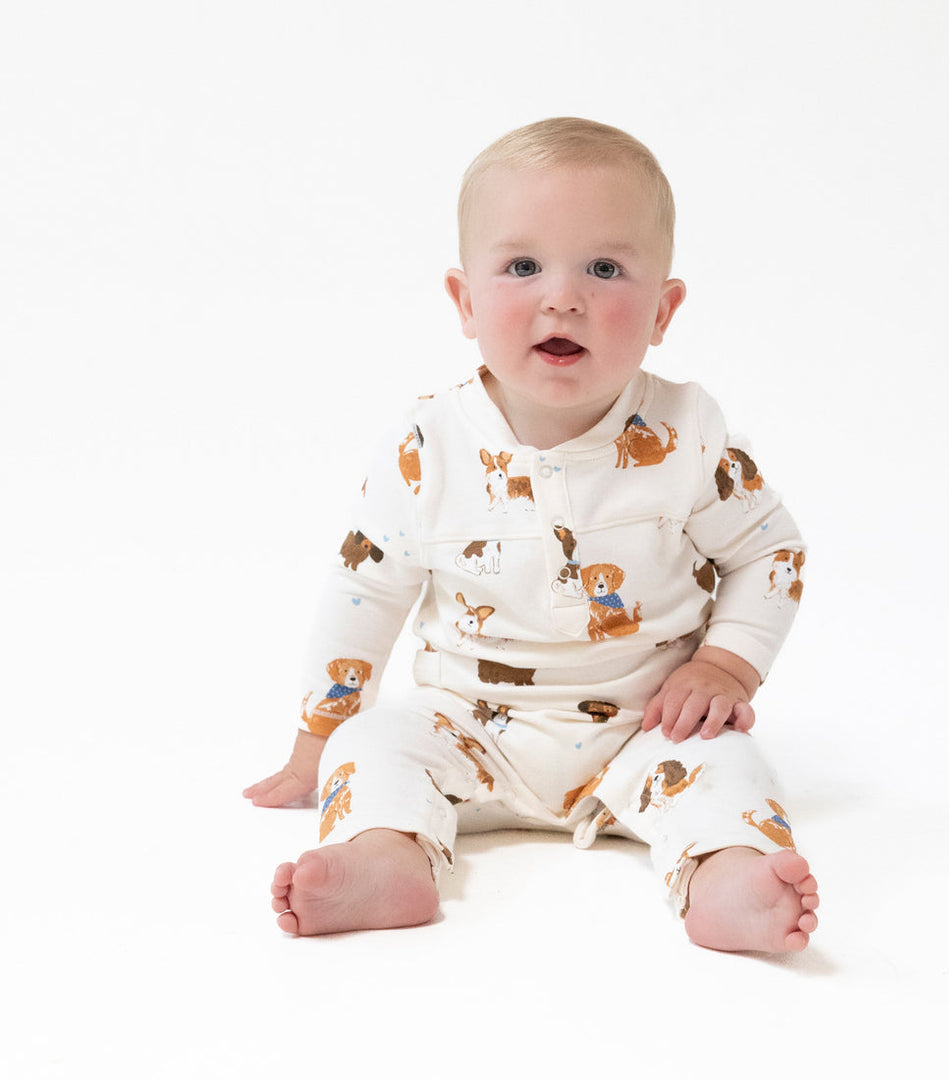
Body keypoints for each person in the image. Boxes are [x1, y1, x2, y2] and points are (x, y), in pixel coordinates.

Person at [243, 117, 819, 952]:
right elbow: (365, 587)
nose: (563, 297)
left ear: (662, 311)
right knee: (371, 744)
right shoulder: (427, 447)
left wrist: (724, 666)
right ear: (465, 303)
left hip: (647, 730)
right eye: (523, 267)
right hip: (467, 727)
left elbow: (771, 551)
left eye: (604, 269)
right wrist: (319, 738)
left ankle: (727, 879)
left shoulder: (687, 435)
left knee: (730, 767)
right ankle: (384, 859)